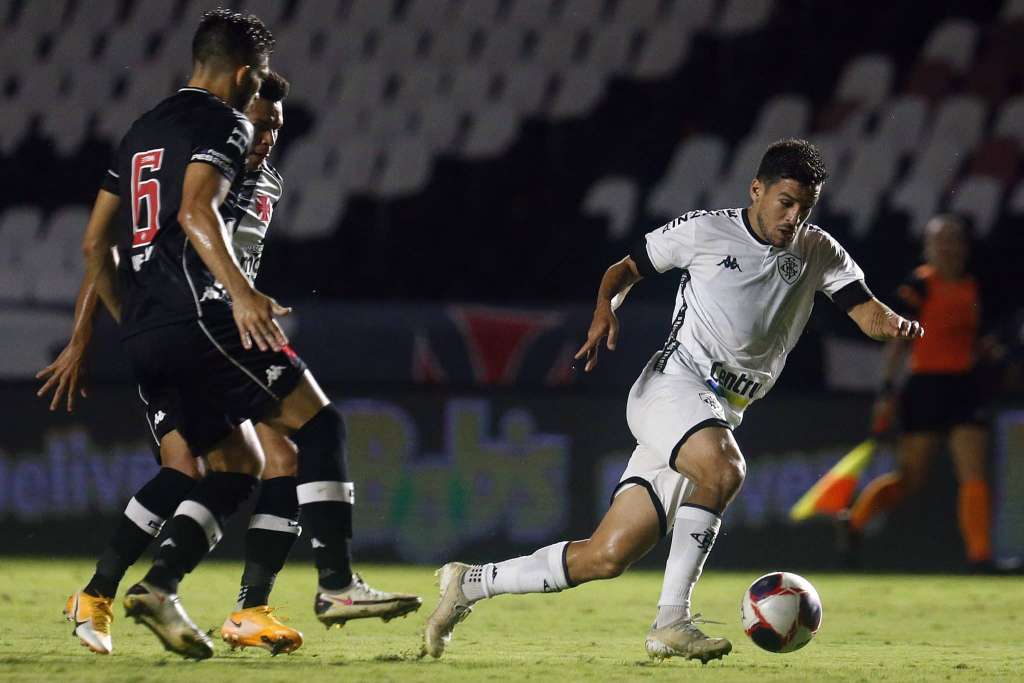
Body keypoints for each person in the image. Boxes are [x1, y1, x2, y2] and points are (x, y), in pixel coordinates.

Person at [421, 139, 923, 662]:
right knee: (725, 470)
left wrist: (892, 324)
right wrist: (605, 310)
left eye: (805, 207)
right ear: (757, 190)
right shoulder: (706, 230)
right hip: (673, 384)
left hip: (719, 409)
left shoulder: (817, 249)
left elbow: (864, 310)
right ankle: (671, 622)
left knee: (606, 555)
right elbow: (624, 270)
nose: (794, 217)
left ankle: (471, 583)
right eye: (786, 202)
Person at [42, 10, 416, 660]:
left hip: (167, 326)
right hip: (200, 320)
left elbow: (104, 241)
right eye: (259, 111)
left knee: (254, 461)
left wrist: (133, 325)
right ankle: (331, 585)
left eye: (274, 126)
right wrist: (231, 299)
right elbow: (176, 224)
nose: (263, 132)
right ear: (244, 79)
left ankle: (222, 602)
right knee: (300, 432)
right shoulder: (219, 133)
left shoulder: (150, 135)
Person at [842, 214, 1002, 572]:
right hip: (925, 387)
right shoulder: (920, 285)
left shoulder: (977, 286)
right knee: (911, 478)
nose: (948, 247)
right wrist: (886, 391)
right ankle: (854, 521)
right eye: (940, 240)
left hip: (964, 386)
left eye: (954, 239)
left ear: (964, 246)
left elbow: (981, 337)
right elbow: (897, 343)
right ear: (928, 248)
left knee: (973, 473)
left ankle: (980, 557)